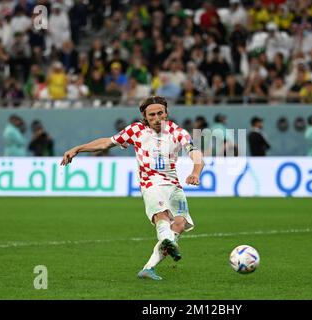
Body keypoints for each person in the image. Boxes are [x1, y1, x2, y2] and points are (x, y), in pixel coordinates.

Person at [61, 96, 205, 281]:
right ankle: (167, 241)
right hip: (150, 183)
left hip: (174, 185)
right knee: (161, 216)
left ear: (166, 113)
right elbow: (106, 142)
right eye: (152, 114)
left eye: (160, 113)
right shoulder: (136, 130)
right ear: (145, 116)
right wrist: (78, 148)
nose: (157, 118)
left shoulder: (177, 132)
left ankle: (149, 267)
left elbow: (195, 152)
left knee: (179, 224)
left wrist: (195, 172)